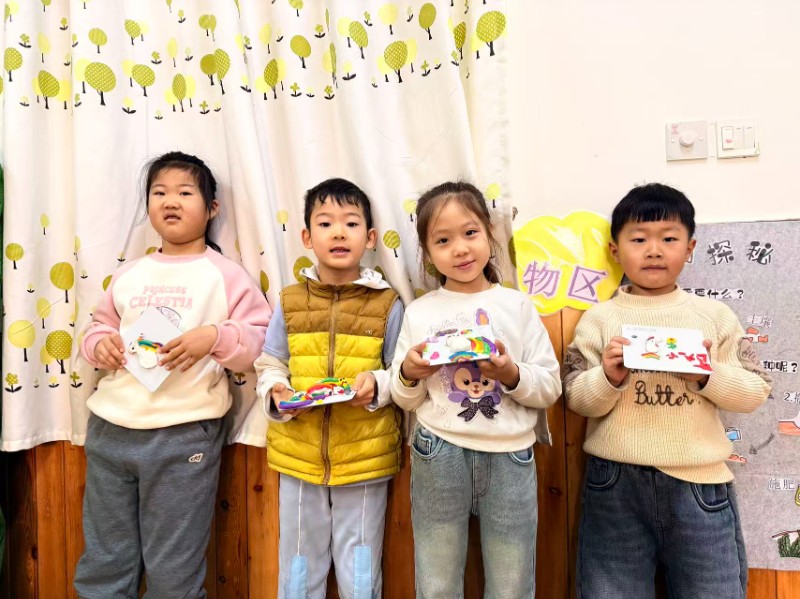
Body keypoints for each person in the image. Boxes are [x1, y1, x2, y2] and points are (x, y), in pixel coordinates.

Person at [74, 151, 271, 598]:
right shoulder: (130, 273)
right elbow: (98, 327)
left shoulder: (226, 275)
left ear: (212, 208)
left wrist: (215, 337)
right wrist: (99, 344)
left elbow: (260, 342)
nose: (170, 201)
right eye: (159, 192)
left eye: (185, 192)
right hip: (110, 431)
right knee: (104, 560)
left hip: (183, 436)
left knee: (174, 569)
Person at [564, 183, 772, 599]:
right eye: (639, 239)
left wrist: (706, 375)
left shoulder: (714, 316)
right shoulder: (599, 319)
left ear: (690, 247)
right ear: (615, 250)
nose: (654, 251)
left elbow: (755, 391)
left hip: (699, 484)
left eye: (669, 239)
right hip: (614, 482)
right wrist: (608, 377)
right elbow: (575, 398)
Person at [391, 181, 562, 599]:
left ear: (489, 233)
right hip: (438, 451)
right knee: (436, 583)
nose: (461, 249)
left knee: (511, 585)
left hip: (510, 455)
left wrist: (510, 374)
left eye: (470, 233)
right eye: (443, 240)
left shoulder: (517, 306)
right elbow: (404, 397)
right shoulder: (419, 312)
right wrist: (409, 373)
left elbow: (549, 387)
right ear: (427, 253)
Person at [255, 178, 403, 598]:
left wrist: (376, 386)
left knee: (360, 567)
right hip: (298, 455)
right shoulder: (289, 301)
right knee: (299, 565)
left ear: (370, 238)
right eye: (325, 223)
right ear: (307, 237)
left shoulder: (388, 303)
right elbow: (270, 362)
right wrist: (277, 393)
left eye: (351, 223)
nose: (339, 232)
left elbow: (401, 374)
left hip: (366, 455)